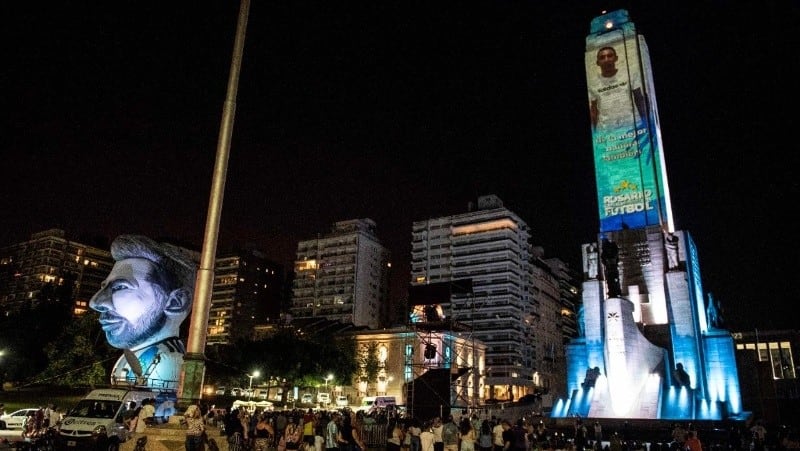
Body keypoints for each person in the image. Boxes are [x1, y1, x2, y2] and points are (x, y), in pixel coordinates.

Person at [89, 234, 198, 389]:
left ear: (175, 302)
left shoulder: (169, 361)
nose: (95, 302)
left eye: (120, 287)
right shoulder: (137, 354)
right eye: (103, 287)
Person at [588, 45, 646, 133]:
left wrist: (646, 124)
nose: (606, 59)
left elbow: (639, 100)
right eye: (602, 57)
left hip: (633, 128)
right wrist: (594, 133)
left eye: (610, 56)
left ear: (616, 58)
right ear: (598, 62)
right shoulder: (593, 84)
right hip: (607, 132)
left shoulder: (630, 75)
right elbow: (594, 110)